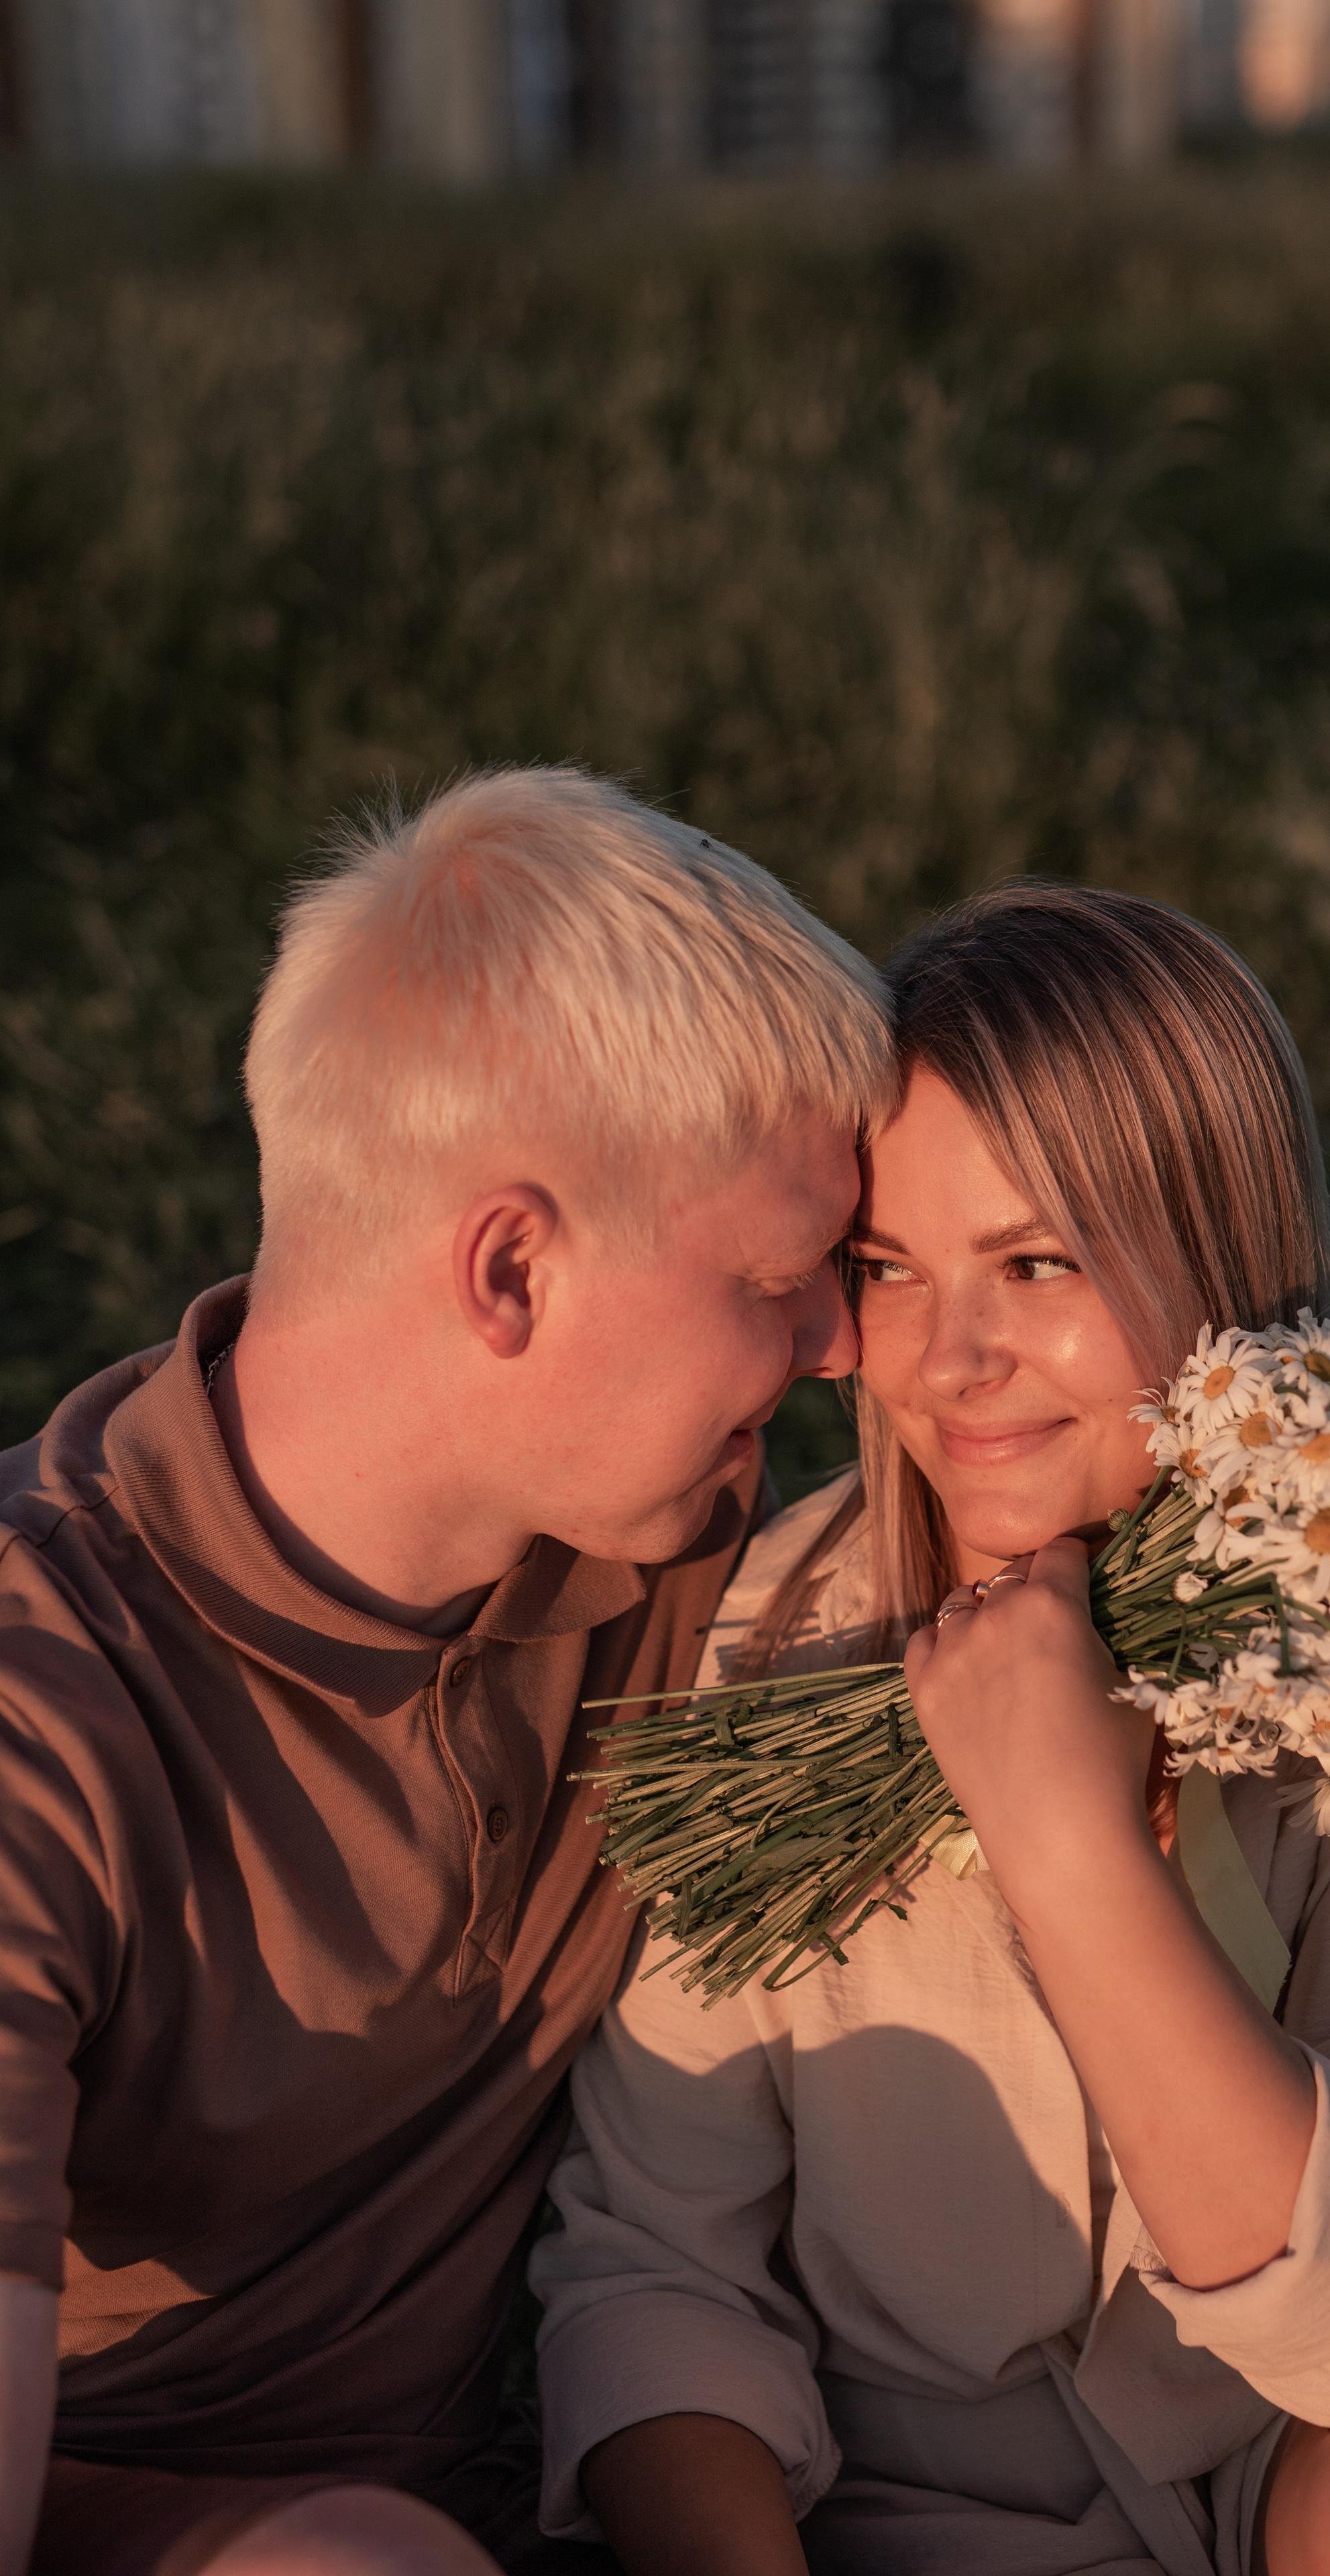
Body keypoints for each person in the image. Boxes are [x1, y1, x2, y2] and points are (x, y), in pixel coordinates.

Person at [531, 884, 1330, 2576]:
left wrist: (1068, 1841)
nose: (954, 1359)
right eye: (890, 1270)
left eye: (1037, 1261)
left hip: (1319, 2432)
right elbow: (657, 2273)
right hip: (904, 2489)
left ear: (1222, 1251)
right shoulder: (761, 1656)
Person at [0, 766, 895, 2576]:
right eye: (786, 1277)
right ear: (513, 1267)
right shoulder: (42, 1714)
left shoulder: (679, 1553)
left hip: (503, 2461)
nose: (844, 1345)